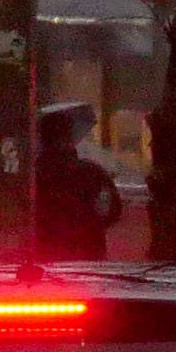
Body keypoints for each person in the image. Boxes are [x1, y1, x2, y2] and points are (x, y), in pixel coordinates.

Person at [34, 104, 122, 259]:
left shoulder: (31, 176)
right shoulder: (92, 172)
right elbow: (111, 211)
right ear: (70, 137)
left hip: (44, 255)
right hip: (88, 255)